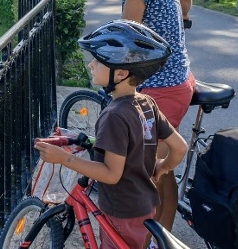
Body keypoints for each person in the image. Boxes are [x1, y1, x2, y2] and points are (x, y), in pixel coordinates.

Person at [36, 20, 188, 249]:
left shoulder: (114, 116)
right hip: (144, 204)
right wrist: (163, 167)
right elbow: (180, 147)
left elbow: (111, 174)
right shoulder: (147, 103)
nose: (91, 65)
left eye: (99, 61)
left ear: (121, 73)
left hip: (121, 211)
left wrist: (64, 158)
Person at [98, 0, 194, 232]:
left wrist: (101, 68)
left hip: (163, 89)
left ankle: (159, 236)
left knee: (152, 169)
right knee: (156, 162)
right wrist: (173, 35)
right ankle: (158, 231)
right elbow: (187, 2)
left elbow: (126, 45)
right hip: (180, 78)